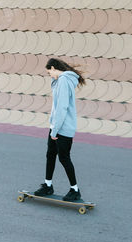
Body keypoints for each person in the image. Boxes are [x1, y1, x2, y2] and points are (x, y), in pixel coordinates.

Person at [34, 58, 86, 201]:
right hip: (56, 126)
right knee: (50, 155)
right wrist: (53, 128)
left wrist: (55, 131)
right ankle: (48, 185)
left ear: (53, 67)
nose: (49, 75)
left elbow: (62, 107)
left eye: (49, 72)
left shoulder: (64, 80)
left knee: (64, 158)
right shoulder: (61, 80)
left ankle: (75, 190)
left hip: (63, 128)